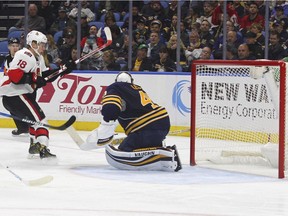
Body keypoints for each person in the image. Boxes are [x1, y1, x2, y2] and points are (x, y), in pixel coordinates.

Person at [81, 71, 182, 172]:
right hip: (162, 122)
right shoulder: (136, 89)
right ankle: (158, 147)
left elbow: (110, 110)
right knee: (144, 141)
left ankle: (165, 156)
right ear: (131, 81)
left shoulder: (116, 87)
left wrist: (104, 129)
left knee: (125, 149)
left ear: (117, 81)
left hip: (147, 127)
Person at [0, 30, 75, 160]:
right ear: (33, 43)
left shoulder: (38, 58)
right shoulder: (25, 54)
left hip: (17, 95)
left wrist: (63, 70)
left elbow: (45, 77)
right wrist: (33, 79)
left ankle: (35, 145)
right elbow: (15, 77)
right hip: (15, 95)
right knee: (40, 120)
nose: (44, 47)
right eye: (41, 44)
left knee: (35, 121)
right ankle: (43, 148)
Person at [2, 37, 29, 136]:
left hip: (23, 87)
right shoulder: (7, 59)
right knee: (8, 103)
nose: (15, 48)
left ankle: (29, 126)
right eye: (13, 46)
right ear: (9, 47)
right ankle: (22, 127)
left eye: (17, 46)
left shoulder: (22, 57)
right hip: (13, 87)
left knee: (18, 106)